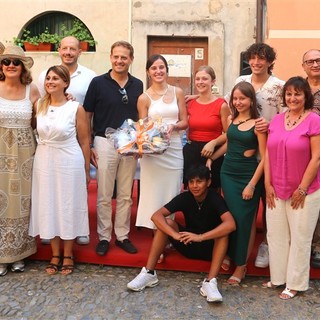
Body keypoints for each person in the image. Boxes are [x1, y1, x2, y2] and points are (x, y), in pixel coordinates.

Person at [127, 165, 236, 302]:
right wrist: (174, 235)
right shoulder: (185, 197)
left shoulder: (215, 198)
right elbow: (156, 216)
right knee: (166, 222)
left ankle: (210, 282)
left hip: (210, 248)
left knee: (223, 232)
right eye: (191, 182)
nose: (195, 186)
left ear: (208, 182)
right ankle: (149, 273)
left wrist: (201, 237)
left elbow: (230, 224)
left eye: (199, 181)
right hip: (187, 243)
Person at [226, 43, 285, 269]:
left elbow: (288, 113)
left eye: (261, 58)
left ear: (270, 61)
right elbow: (229, 109)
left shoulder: (279, 86)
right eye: (253, 58)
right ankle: (237, 249)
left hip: (271, 152)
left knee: (268, 202)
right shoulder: (240, 83)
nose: (256, 62)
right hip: (242, 155)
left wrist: (270, 125)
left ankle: (266, 243)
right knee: (242, 206)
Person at [29, 65, 90, 275]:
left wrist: (85, 169)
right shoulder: (39, 105)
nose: (50, 81)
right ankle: (54, 254)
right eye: (48, 78)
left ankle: (68, 254)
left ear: (65, 83)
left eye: (56, 78)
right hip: (44, 159)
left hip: (69, 161)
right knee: (49, 204)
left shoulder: (75, 108)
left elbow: (84, 141)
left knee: (68, 204)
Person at [84, 41, 143, 256]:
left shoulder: (137, 85)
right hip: (104, 141)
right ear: (110, 57)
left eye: (124, 57)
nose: (120, 61)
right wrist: (89, 145)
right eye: (116, 56)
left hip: (128, 142)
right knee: (104, 193)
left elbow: (140, 116)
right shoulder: (98, 83)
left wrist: (139, 142)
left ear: (131, 60)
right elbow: (88, 115)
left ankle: (122, 235)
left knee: (126, 194)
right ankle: (104, 236)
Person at [264, 76, 320, 299]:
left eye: (297, 93)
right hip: (276, 188)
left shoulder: (314, 120)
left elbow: (316, 158)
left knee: (300, 237)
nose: (293, 97)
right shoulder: (277, 120)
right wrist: (267, 184)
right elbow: (268, 153)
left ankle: (295, 283)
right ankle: (278, 278)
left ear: (305, 95)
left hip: (305, 191)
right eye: (289, 94)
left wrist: (303, 189)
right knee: (276, 235)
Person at [38, 36, 96, 245]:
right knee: (49, 191)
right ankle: (49, 228)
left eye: (73, 49)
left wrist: (90, 150)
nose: (68, 52)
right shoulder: (44, 74)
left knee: (71, 192)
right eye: (65, 48)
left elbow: (92, 112)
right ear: (59, 50)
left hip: (72, 139)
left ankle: (78, 230)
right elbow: (40, 101)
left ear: (80, 51)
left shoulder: (90, 76)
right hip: (49, 143)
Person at [208, 81, 267, 284]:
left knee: (244, 220)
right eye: (235, 98)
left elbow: (265, 157)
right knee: (231, 218)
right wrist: (212, 158)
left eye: (242, 98)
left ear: (251, 100)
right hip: (228, 173)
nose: (238, 102)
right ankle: (231, 254)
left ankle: (241, 265)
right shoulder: (233, 119)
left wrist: (252, 184)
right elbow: (229, 144)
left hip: (247, 175)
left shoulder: (258, 124)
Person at [135, 54, 188, 246]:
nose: (158, 71)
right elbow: (142, 127)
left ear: (167, 70)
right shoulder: (144, 98)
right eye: (154, 68)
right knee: (153, 195)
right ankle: (157, 239)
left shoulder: (178, 92)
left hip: (173, 150)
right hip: (154, 155)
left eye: (161, 67)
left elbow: (185, 121)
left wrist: (174, 126)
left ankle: (166, 236)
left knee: (171, 194)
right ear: (148, 72)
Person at [0, 45, 39, 276]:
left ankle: (20, 254)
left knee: (23, 201)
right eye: (6, 62)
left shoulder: (32, 90)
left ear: (23, 66)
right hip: (0, 152)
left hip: (25, 154)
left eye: (16, 62)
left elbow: (41, 118)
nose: (11, 65)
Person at [183, 65, 230, 191]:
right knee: (192, 191)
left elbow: (229, 133)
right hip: (192, 152)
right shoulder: (189, 103)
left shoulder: (221, 105)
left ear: (213, 81)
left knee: (212, 192)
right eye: (198, 79)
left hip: (213, 151)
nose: (200, 82)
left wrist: (213, 143)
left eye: (204, 79)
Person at [301, 49, 320, 269]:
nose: (315, 64)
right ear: (303, 65)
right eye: (311, 61)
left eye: (318, 60)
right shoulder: (297, 88)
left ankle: (317, 245)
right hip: (301, 152)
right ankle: (304, 244)